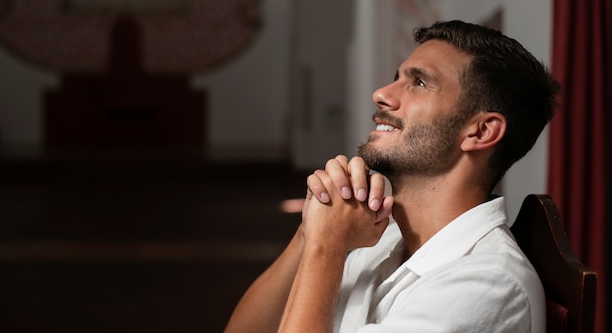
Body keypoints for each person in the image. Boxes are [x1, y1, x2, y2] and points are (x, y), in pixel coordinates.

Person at [225, 20, 561, 332]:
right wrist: (309, 231)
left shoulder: (487, 285)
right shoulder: (381, 236)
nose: (382, 93)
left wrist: (326, 245)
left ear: (481, 131)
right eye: (397, 77)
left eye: (418, 82)